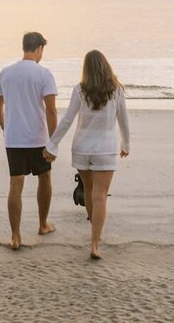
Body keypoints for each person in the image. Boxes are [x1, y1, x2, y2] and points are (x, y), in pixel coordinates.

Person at [43, 49, 130, 259]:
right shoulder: (115, 90)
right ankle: (94, 243)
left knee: (90, 191)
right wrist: (126, 144)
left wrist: (52, 144)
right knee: (100, 196)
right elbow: (123, 120)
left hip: (82, 149)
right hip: (105, 150)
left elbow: (67, 120)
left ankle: (94, 230)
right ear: (106, 66)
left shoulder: (80, 90)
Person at [0, 31, 58, 250]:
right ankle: (42, 224)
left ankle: (15, 237)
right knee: (45, 177)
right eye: (42, 51)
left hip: (14, 139)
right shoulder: (44, 74)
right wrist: (54, 141)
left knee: (15, 184)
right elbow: (51, 111)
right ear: (39, 49)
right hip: (37, 138)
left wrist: (6, 128)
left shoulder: (6, 73)